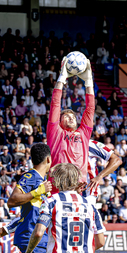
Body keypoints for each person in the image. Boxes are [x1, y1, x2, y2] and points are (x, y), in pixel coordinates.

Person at [47, 55, 95, 193]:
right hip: (57, 185)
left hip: (78, 188)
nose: (70, 118)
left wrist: (88, 81)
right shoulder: (55, 132)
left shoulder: (83, 133)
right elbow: (55, 103)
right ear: (59, 121)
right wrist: (62, 78)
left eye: (72, 116)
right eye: (66, 116)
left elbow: (90, 108)